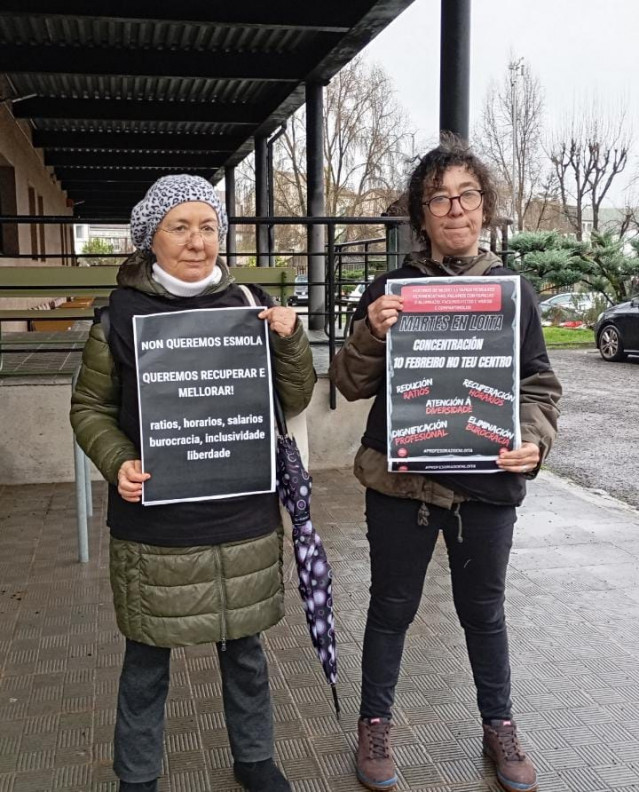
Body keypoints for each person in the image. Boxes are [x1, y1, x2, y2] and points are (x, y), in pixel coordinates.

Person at [329, 136, 561, 792]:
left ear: (484, 207)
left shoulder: (513, 292)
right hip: (400, 481)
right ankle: (374, 723)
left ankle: (499, 726)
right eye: (439, 198)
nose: (454, 208)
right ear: (420, 213)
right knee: (390, 607)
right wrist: (371, 329)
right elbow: (346, 381)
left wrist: (532, 441)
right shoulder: (389, 289)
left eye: (466, 195)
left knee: (483, 611)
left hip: (485, 486)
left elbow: (539, 385)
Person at [70, 174, 315, 792]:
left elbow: (295, 397)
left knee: (246, 656)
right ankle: (137, 775)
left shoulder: (251, 306)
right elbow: (90, 409)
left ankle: (255, 759)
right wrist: (118, 460)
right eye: (180, 226)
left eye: (208, 226)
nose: (197, 240)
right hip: (156, 522)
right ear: (150, 237)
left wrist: (289, 342)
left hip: (240, 516)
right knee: (147, 661)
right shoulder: (118, 318)